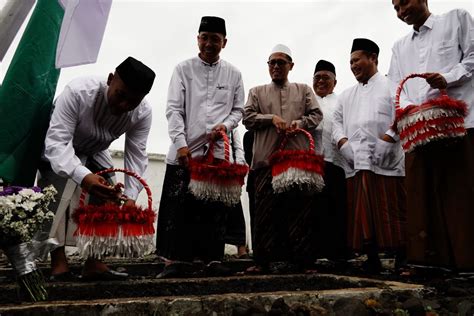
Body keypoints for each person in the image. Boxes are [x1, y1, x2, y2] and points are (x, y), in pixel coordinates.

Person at [39, 56, 156, 281]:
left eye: (133, 101)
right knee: (56, 196)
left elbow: (136, 154)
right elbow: (57, 143)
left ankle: (94, 263)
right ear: (111, 80)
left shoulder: (143, 113)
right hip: (60, 146)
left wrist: (131, 196)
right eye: (120, 95)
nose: (124, 106)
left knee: (109, 194)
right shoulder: (77, 92)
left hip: (97, 151)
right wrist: (84, 177)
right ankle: (58, 264)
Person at [156, 16, 244, 278]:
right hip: (185, 152)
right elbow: (173, 110)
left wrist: (225, 126)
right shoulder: (183, 69)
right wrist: (181, 145)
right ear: (198, 39)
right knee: (179, 207)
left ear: (224, 42)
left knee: (213, 209)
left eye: (215, 39)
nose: (209, 43)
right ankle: (175, 262)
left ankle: (212, 260)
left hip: (216, 155)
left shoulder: (234, 73)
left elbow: (237, 110)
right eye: (204, 37)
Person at [388, 0, 474, 271]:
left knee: (460, 191)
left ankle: (467, 261)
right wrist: (413, 109)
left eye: (405, 3)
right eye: (396, 8)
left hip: (458, 122)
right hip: (420, 129)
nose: (402, 12)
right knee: (423, 194)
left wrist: (447, 77)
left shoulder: (456, 18)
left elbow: (472, 59)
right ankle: (432, 263)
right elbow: (395, 85)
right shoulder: (399, 46)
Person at [243, 44, 323, 273]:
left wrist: (300, 123)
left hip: (296, 161)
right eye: (272, 62)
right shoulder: (257, 92)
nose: (276, 66)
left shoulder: (303, 89)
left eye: (281, 62)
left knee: (300, 211)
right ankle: (262, 262)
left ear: (291, 66)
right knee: (264, 213)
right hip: (266, 161)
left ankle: (303, 262)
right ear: (268, 66)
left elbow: (316, 114)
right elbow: (247, 118)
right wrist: (271, 119)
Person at [332, 38, 406, 273]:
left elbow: (404, 112)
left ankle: (402, 257)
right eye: (350, 62)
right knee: (362, 212)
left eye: (356, 60)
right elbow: (336, 122)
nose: (353, 65)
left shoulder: (393, 86)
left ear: (373, 58)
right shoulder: (345, 95)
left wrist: (389, 138)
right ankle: (371, 258)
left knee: (391, 209)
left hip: (387, 159)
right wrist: (343, 143)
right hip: (356, 160)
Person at [311, 60, 348, 266]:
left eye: (326, 77)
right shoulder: (308, 102)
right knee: (316, 208)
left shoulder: (342, 101)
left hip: (337, 162)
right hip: (314, 162)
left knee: (337, 207)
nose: (321, 81)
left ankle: (339, 253)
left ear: (335, 81)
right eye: (317, 77)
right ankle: (316, 251)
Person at [224, 129, 249, 259]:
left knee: (236, 209)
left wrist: (239, 165)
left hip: (230, 170)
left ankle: (241, 247)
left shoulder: (232, 127)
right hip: (211, 171)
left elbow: (238, 147)